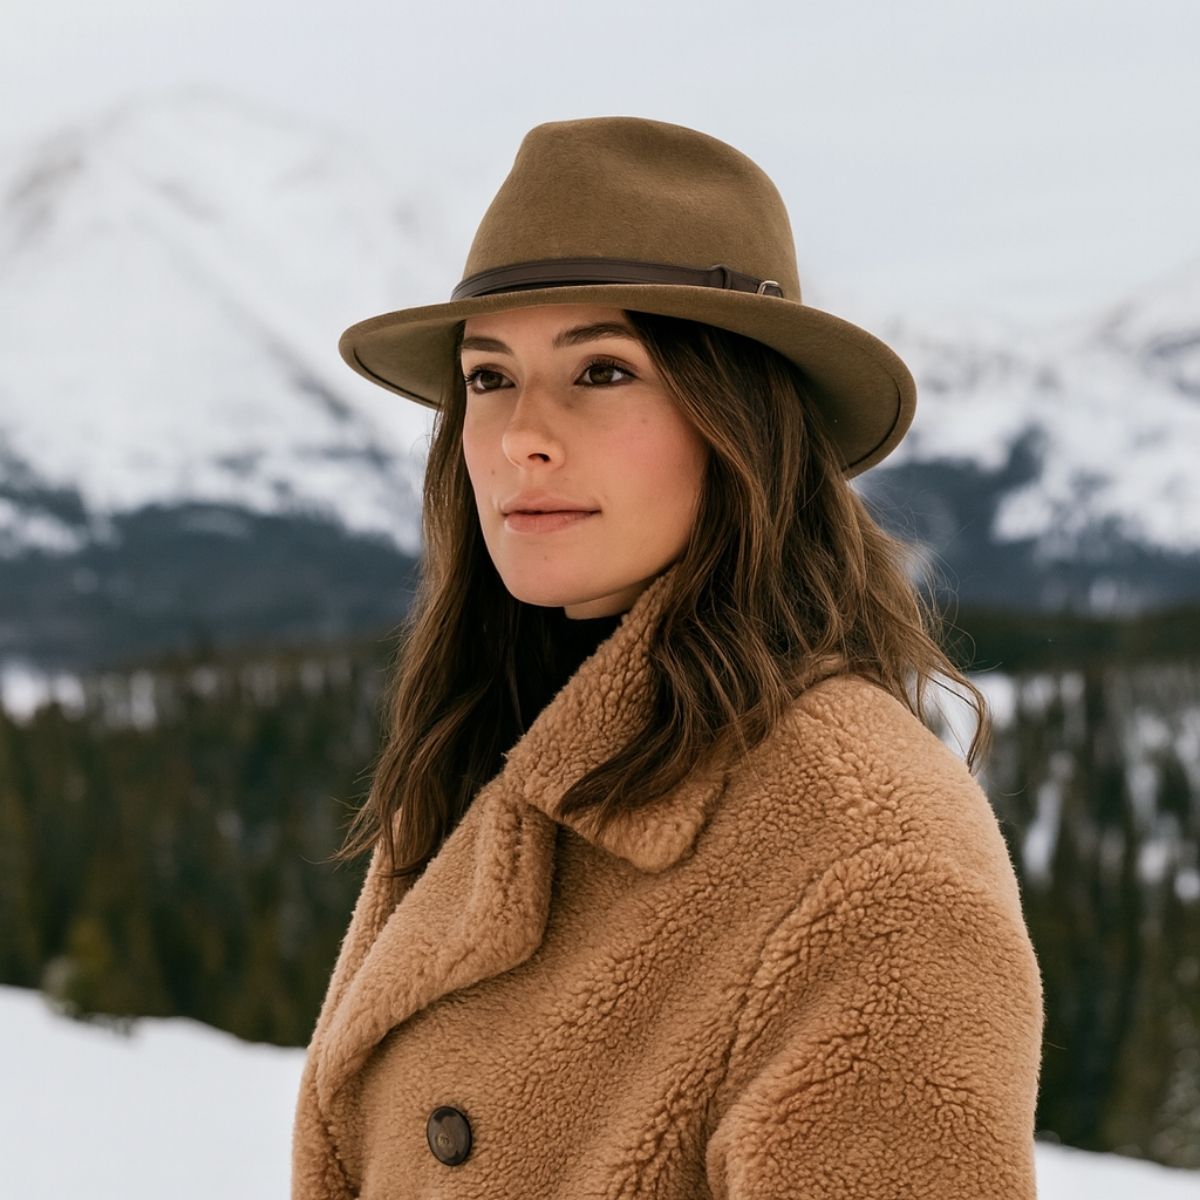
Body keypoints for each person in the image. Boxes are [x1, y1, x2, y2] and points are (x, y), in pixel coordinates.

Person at [291, 116, 1044, 1199]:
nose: (518, 438)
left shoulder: (870, 857)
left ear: (742, 421)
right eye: (490, 377)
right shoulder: (494, 755)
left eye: (602, 371)